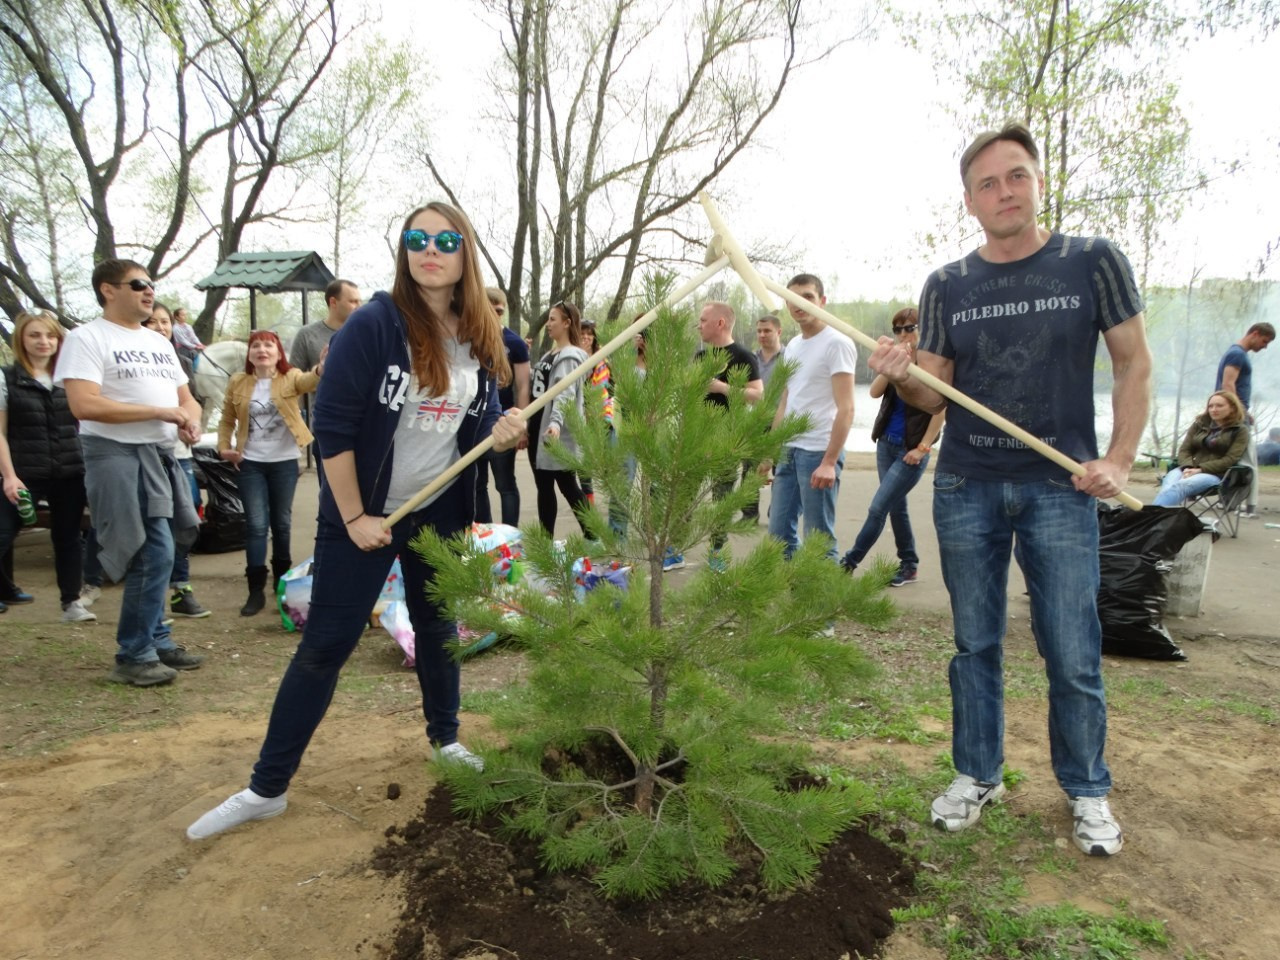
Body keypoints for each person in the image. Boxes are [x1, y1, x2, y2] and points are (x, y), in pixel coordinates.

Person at [187, 200, 525, 840]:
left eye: (445, 239)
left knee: (436, 627)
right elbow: (334, 431)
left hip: (438, 508)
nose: (430, 248)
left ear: (465, 252)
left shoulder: (480, 333)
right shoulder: (373, 325)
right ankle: (266, 788)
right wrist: (355, 518)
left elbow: (471, 422)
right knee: (325, 648)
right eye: (416, 237)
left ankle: (446, 740)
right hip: (364, 511)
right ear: (404, 251)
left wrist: (501, 431)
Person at [868, 122, 1152, 857]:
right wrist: (901, 372)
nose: (1004, 192)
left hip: (1062, 487)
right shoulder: (948, 285)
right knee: (975, 644)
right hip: (967, 486)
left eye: (1016, 176)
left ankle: (1087, 788)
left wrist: (1119, 459)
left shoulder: (1091, 262)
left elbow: (1133, 365)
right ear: (968, 201)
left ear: (1038, 181)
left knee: (1072, 647)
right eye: (988, 183)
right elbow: (933, 398)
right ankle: (977, 775)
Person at [56, 259, 205, 686]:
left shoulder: (160, 342)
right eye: (138, 283)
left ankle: (155, 639)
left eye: (151, 284)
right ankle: (133, 654)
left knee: (173, 543)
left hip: (160, 453)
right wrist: (160, 411)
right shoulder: (87, 338)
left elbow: (186, 397)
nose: (148, 291)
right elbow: (84, 404)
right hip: (115, 453)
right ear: (108, 289)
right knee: (149, 551)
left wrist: (189, 418)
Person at [218, 330, 321, 615]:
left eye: (269, 345)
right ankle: (254, 591)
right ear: (249, 354)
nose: (262, 349)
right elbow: (226, 419)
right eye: (256, 345)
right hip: (250, 462)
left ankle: (282, 586)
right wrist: (224, 446)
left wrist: (321, 368)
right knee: (256, 525)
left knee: (282, 523)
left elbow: (308, 381)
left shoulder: (290, 377)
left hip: (285, 463)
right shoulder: (238, 382)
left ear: (278, 353)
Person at [0, 311, 94, 622]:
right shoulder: (7, 378)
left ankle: (71, 603)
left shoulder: (71, 380)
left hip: (69, 471)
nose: (44, 342)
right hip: (25, 473)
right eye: (35, 335)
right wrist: (10, 477)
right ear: (21, 340)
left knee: (68, 538)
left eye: (50, 336)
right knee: (3, 532)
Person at [839, 308, 944, 586]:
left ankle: (848, 563)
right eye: (898, 329)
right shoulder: (899, 360)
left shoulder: (932, 365)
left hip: (911, 451)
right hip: (886, 444)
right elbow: (873, 392)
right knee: (895, 506)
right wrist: (894, 364)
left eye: (910, 328)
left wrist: (923, 448)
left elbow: (940, 410)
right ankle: (909, 564)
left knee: (878, 508)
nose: (904, 334)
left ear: (924, 330)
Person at [762, 274, 857, 560]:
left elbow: (847, 408)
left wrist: (829, 461)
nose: (799, 305)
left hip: (818, 452)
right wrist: (771, 451)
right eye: (792, 299)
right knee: (778, 534)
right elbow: (786, 401)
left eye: (808, 297)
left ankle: (823, 602)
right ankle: (799, 590)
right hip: (789, 450)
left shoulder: (837, 343)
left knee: (818, 538)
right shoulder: (792, 346)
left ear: (822, 301)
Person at [143, 303, 211, 619]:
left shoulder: (179, 360)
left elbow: (191, 403)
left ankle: (181, 588)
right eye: (153, 322)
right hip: (145, 455)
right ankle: (156, 599)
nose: (160, 327)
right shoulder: (135, 362)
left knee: (187, 523)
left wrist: (192, 423)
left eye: (165, 321)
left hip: (180, 456)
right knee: (156, 527)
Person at [694, 301, 762, 570]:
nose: (698, 325)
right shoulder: (700, 358)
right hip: (696, 436)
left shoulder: (744, 357)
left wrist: (723, 388)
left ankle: (716, 553)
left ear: (720, 323)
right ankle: (673, 547)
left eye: (703, 320)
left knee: (721, 498)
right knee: (683, 493)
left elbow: (758, 395)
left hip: (726, 438)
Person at [527, 301, 591, 537]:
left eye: (553, 319)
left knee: (567, 486)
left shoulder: (569, 357)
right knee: (545, 487)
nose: (548, 324)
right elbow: (539, 389)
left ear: (567, 323)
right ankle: (547, 543)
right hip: (538, 426)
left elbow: (564, 393)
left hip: (555, 432)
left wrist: (554, 423)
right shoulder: (550, 353)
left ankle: (593, 535)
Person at [476, 287, 530, 526]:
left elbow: (523, 385)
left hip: (504, 421)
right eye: (491, 309)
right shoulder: (469, 339)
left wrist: (521, 428)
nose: (496, 315)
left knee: (505, 485)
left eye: (500, 311)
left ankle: (511, 538)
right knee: (476, 484)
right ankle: (483, 538)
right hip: (474, 424)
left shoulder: (514, 343)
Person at [1215, 321, 1274, 518]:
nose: (1264, 347)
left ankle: (1230, 502)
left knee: (1235, 460)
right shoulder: (1237, 354)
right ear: (1255, 334)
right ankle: (1250, 507)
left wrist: (1245, 412)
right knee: (1249, 462)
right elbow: (1227, 384)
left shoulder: (1238, 354)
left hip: (1235, 415)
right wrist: (1240, 414)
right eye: (1264, 341)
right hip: (1234, 417)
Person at [1152, 391, 1249, 507]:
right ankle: (1158, 519)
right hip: (1187, 469)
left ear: (1232, 408)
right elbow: (1184, 450)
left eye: (1219, 406)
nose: (1214, 409)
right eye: (1210, 406)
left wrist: (1200, 470)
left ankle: (1149, 518)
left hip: (1216, 475)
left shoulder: (1240, 430)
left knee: (1181, 486)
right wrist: (1188, 467)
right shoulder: (1199, 425)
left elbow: (1230, 459)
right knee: (1168, 486)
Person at [289, 279, 361, 373]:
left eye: (359, 302)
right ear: (333, 302)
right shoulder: (307, 335)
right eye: (353, 301)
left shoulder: (364, 335)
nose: (359, 306)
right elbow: (292, 379)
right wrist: (318, 371)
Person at [754, 313, 784, 386]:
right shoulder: (751, 358)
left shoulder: (789, 356)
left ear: (779, 332)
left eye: (767, 331)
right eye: (759, 331)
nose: (762, 335)